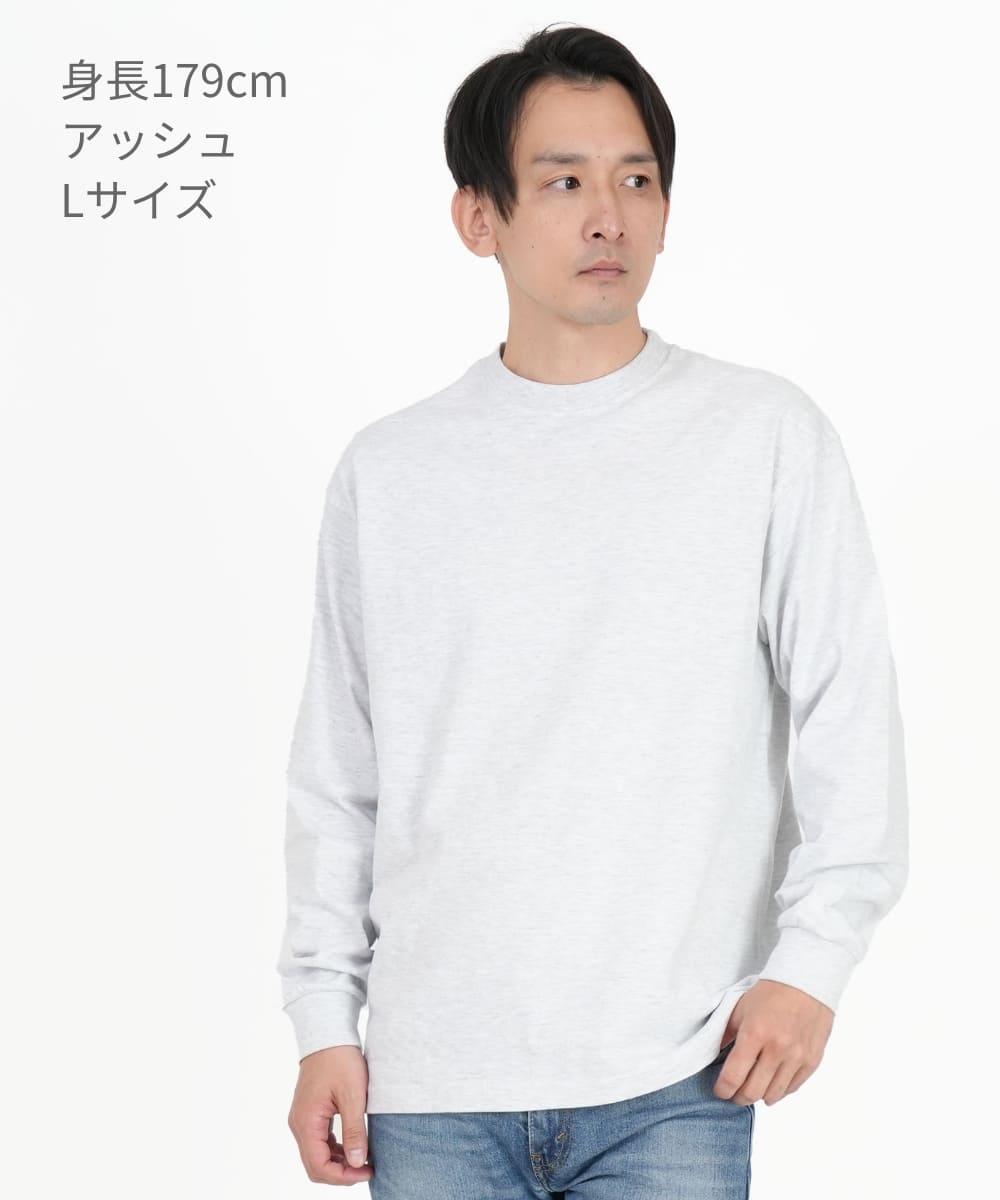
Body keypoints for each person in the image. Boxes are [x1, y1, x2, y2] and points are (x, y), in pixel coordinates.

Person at [277, 21, 909, 1198]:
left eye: (637, 180)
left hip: (675, 1076)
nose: (608, 216)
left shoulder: (761, 437)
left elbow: (848, 714)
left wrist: (812, 965)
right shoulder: (392, 471)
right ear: (479, 216)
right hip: (433, 1082)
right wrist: (324, 1018)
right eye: (563, 182)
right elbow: (339, 774)